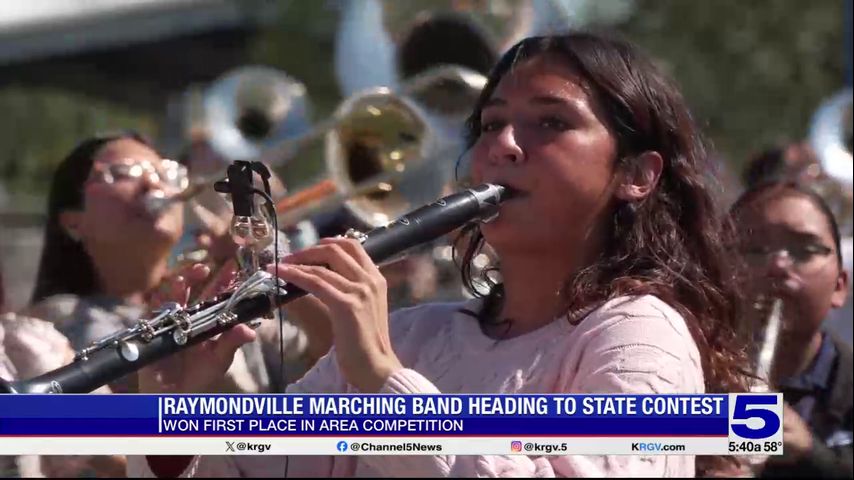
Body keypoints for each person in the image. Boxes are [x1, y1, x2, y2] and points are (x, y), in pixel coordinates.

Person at [130, 31, 749, 477]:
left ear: (636, 174)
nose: (503, 144)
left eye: (551, 123)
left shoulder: (640, 333)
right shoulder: (415, 333)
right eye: (490, 125)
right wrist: (180, 418)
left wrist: (380, 377)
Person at [23, 131, 265, 395]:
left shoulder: (220, 281)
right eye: (124, 172)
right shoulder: (52, 323)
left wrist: (267, 264)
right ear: (73, 221)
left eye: (165, 174)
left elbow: (307, 364)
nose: (153, 183)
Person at [731, 181, 852, 478]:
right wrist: (708, 426)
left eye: (804, 250)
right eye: (753, 249)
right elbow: (603, 429)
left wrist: (813, 455)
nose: (778, 265)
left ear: (840, 286)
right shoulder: (673, 362)